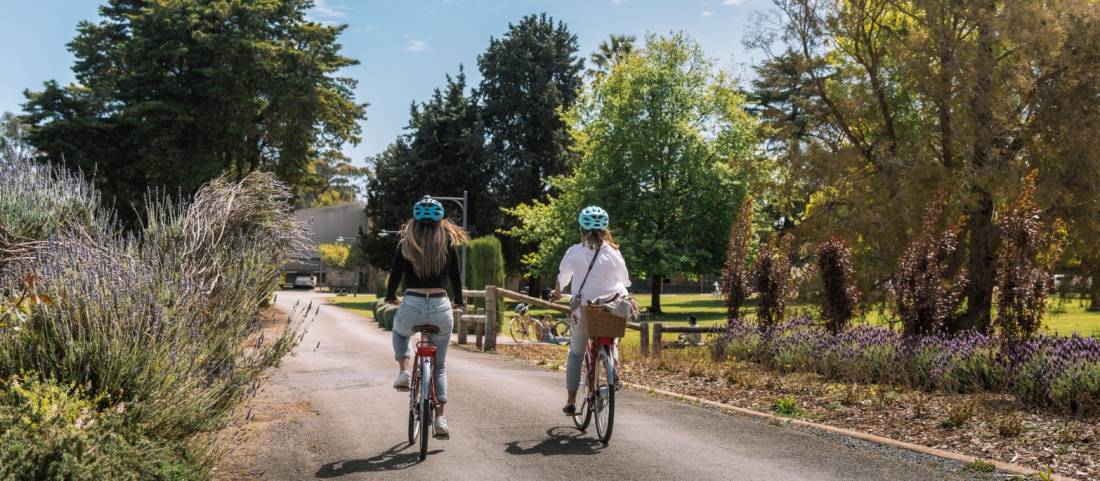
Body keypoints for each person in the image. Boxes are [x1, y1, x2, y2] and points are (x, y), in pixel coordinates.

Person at [385, 196, 468, 440]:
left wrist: (390, 296)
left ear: (415, 222)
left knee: (400, 332)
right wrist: (459, 301)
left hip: (412, 303)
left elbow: (394, 276)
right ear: (441, 222)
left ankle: (404, 371)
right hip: (441, 306)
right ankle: (440, 419)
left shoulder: (405, 244)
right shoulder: (448, 243)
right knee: (439, 367)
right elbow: (456, 277)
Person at [550, 206, 631, 416]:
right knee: (612, 340)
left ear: (581, 229)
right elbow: (625, 281)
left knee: (576, 353)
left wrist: (557, 292)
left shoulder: (574, 252)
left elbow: (562, 278)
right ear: (605, 229)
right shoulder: (614, 252)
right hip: (609, 310)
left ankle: (571, 401)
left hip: (584, 311)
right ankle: (611, 366)